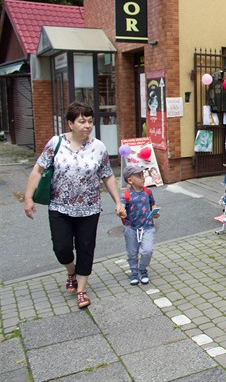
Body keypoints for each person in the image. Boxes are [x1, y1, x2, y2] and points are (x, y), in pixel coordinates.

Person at [24, 102, 126, 309]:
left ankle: (81, 289)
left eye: (90, 121)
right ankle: (71, 270)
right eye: (82, 121)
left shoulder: (99, 147)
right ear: (71, 123)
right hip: (59, 207)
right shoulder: (56, 143)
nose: (87, 125)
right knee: (61, 248)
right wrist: (28, 198)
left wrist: (118, 202)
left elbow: (107, 177)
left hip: (89, 208)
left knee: (86, 248)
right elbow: (37, 170)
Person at [121, 164, 160, 286]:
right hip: (131, 228)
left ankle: (142, 269)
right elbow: (121, 208)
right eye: (139, 176)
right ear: (130, 180)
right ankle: (133, 272)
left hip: (147, 226)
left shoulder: (148, 192)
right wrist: (121, 211)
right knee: (132, 252)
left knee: (147, 250)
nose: (143, 177)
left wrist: (155, 212)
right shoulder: (126, 195)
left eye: (143, 175)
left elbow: (152, 204)